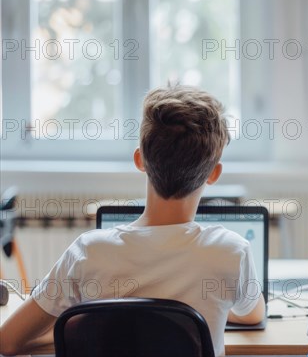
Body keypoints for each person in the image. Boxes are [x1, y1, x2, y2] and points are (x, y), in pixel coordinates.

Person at [0, 85, 265, 356]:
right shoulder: (231, 252)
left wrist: (79, 334)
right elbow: (253, 315)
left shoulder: (88, 252)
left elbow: (7, 342)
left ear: (140, 160)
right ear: (214, 174)